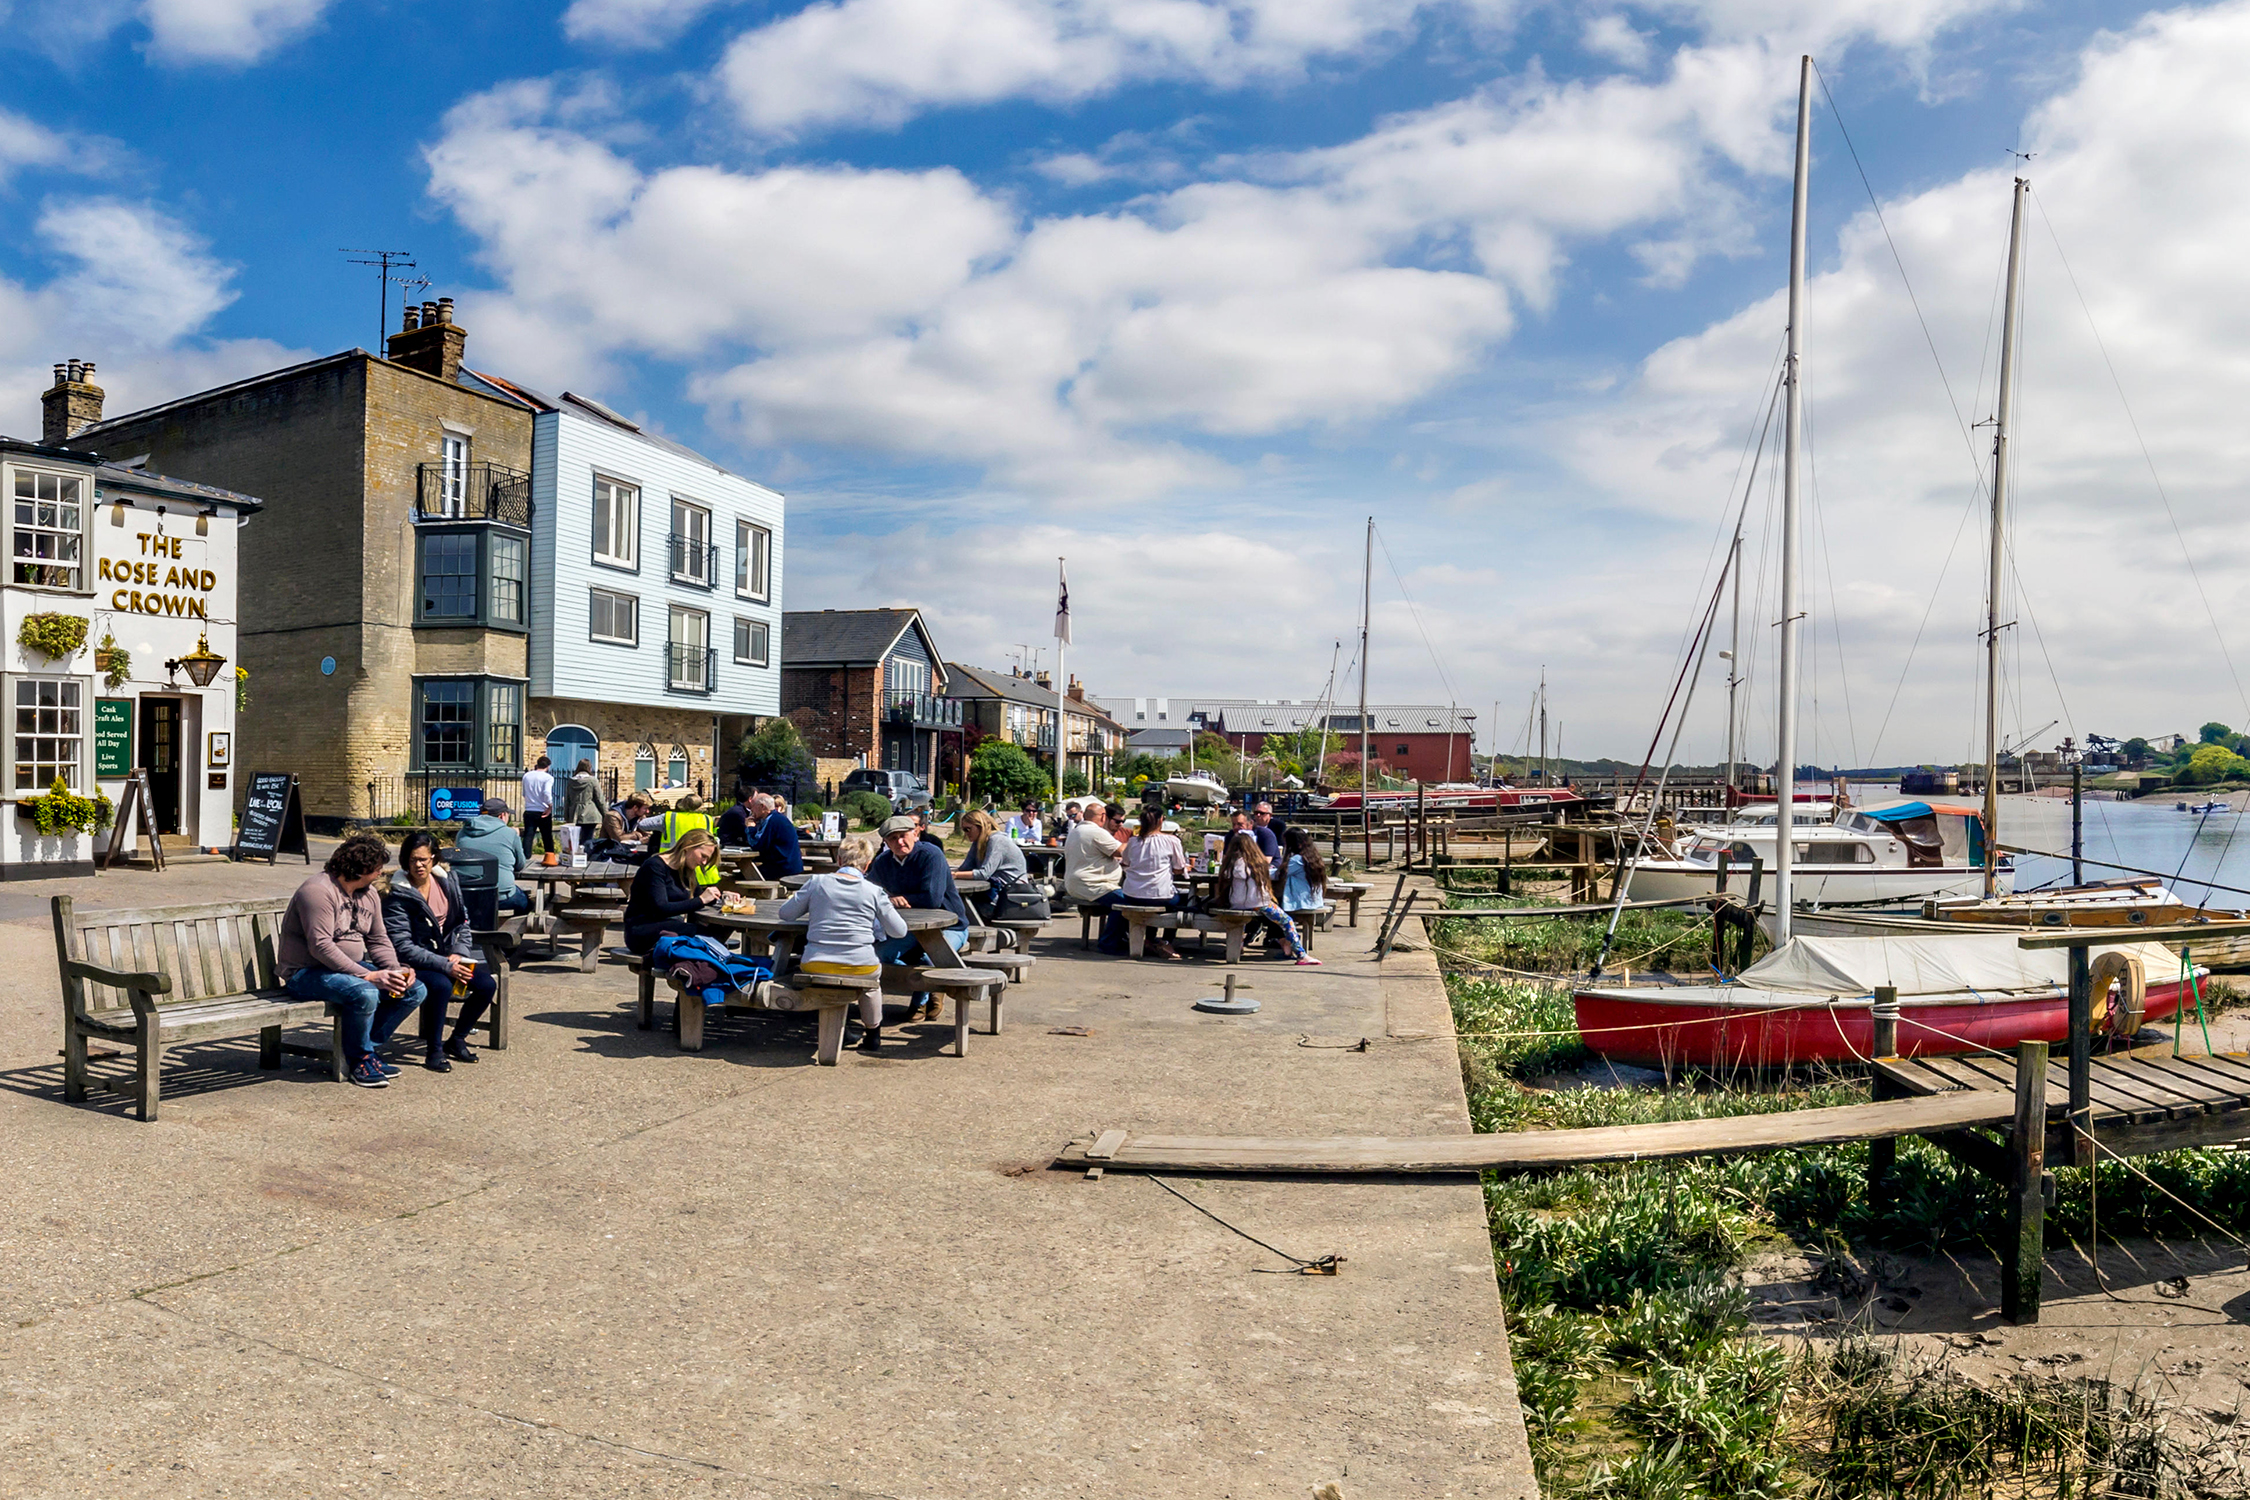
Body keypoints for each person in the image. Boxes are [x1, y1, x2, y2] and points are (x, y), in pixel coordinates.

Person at [279, 835, 426, 1089]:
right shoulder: (318, 891)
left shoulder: (368, 894)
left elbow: (379, 939)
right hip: (305, 973)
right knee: (366, 993)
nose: (381, 873)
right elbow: (321, 947)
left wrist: (395, 970)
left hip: (347, 971)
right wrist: (368, 975)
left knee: (414, 990)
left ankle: (366, 1050)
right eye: (378, 868)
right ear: (362, 869)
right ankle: (359, 1060)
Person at [777, 833, 909, 1052]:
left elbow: (786, 914)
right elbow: (899, 931)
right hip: (860, 964)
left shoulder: (817, 883)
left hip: (816, 962)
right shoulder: (874, 891)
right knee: (871, 985)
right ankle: (873, 1032)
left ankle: (835, 1024)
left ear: (838, 861)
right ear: (867, 866)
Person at [382, 831, 497, 1071]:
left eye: (424, 859)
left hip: (449, 956)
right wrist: (446, 966)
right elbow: (403, 946)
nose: (419, 865)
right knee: (441, 985)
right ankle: (433, 1051)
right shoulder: (398, 894)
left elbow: (461, 923)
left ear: (434, 858)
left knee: (486, 985)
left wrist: (459, 951)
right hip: (415, 962)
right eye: (413, 859)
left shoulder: (446, 881)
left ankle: (456, 1039)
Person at [868, 814, 972, 1021]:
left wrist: (900, 899)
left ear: (915, 833)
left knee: (932, 956)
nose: (899, 842)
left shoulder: (931, 855)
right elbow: (869, 890)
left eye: (903, 835)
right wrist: (889, 898)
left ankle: (921, 1001)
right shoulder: (882, 862)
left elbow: (932, 898)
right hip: (908, 928)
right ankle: (923, 985)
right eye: (893, 838)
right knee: (878, 955)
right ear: (886, 842)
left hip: (949, 926)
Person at [1214, 830, 1318, 965]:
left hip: (1236, 903)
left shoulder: (1230, 864)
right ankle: (1301, 954)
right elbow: (1270, 879)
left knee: (1243, 922)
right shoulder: (1256, 864)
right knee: (1287, 921)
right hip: (1258, 902)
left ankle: (1238, 945)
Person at [624, 828, 722, 954]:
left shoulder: (686, 869)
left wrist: (722, 897)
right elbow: (660, 908)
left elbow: (700, 897)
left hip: (669, 925)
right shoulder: (655, 866)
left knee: (716, 932)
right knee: (709, 936)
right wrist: (701, 900)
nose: (703, 862)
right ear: (688, 846)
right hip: (642, 930)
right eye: (703, 856)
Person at [1111, 808, 1189, 959]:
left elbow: (1125, 863)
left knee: (1149, 897)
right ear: (1161, 820)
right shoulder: (1172, 841)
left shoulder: (1133, 842)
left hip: (1132, 894)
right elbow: (1179, 869)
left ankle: (1149, 939)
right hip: (1161, 895)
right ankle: (1166, 941)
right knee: (1182, 900)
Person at [454, 797, 532, 914]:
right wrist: (516, 836)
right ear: (502, 816)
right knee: (527, 903)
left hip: (468, 896)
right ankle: (512, 931)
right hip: (502, 897)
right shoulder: (510, 833)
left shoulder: (462, 833)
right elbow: (520, 864)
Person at [954, 809, 1029, 922]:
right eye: (964, 829)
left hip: (1008, 900)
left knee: (957, 908)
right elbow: (965, 868)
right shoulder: (978, 841)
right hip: (993, 894)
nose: (966, 833)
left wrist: (955, 875)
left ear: (981, 826)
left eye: (968, 829)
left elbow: (984, 873)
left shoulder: (997, 840)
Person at [748, 792, 805, 877]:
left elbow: (757, 845)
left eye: (753, 807)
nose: (751, 810)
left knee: (744, 876)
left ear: (762, 807)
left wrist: (750, 828)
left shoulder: (773, 821)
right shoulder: (775, 818)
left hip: (783, 868)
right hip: (789, 866)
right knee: (749, 872)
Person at [1276, 826, 1328, 913]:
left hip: (1301, 902)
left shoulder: (1297, 860)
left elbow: (1279, 874)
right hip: (1314, 900)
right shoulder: (1312, 857)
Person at [562, 759, 604, 855]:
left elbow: (567, 800)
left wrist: (567, 816)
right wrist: (606, 814)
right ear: (589, 767)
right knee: (588, 839)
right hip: (590, 813)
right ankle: (587, 858)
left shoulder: (571, 781)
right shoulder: (593, 780)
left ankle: (576, 857)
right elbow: (600, 799)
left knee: (575, 839)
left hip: (575, 813)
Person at [520, 755, 556, 855]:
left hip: (529, 809)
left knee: (528, 835)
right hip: (542, 810)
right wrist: (550, 806)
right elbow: (546, 792)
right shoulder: (548, 778)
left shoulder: (526, 776)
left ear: (537, 764)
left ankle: (526, 857)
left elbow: (524, 794)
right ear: (548, 766)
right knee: (547, 836)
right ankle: (550, 856)